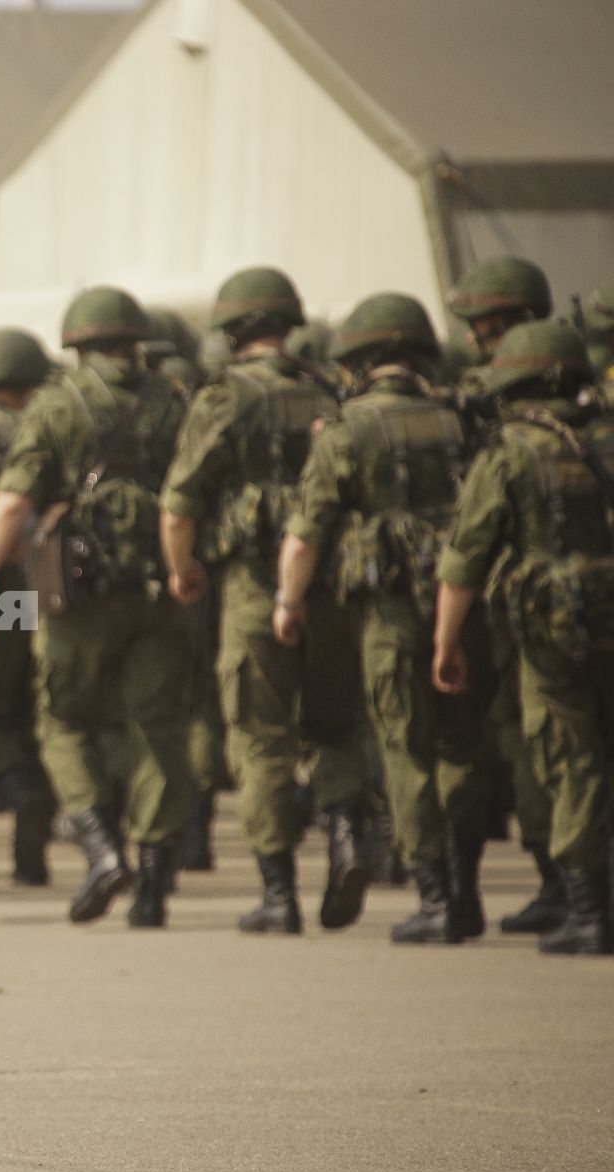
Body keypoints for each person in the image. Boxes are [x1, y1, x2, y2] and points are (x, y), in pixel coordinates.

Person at [0, 286, 195, 928]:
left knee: (62, 723)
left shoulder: (59, 405)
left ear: (76, 343)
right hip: (159, 592)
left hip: (75, 597)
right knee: (155, 728)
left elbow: (11, 503)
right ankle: (152, 888)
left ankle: (98, 848)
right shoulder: (175, 404)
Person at [274, 293, 493, 945]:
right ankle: (464, 890)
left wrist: (288, 601)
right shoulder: (461, 420)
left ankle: (432, 897)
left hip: (390, 610)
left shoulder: (349, 428)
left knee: (405, 746)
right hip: (464, 604)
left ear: (359, 358)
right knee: (461, 746)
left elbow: (308, 533)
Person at [160, 267, 372, 934]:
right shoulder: (332, 390)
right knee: (336, 728)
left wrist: (182, 569)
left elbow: (179, 503)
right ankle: (346, 840)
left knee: (260, 737)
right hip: (330, 586)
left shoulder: (226, 396)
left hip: (254, 586)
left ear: (233, 330)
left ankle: (279, 895)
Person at [433, 320, 614, 954]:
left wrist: (446, 643)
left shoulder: (510, 451)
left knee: (573, 758)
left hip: (551, 631)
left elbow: (464, 563)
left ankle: (590, 911)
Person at [446, 255, 561, 932]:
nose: (473, 339)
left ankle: (549, 884)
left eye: (482, 324)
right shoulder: (581, 399)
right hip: (536, 594)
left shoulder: (484, 404)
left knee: (523, 737)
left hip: (505, 596)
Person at [0, 327, 60, 887]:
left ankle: (13, 791)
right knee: (35, 715)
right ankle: (33, 854)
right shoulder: (54, 425)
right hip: (46, 587)